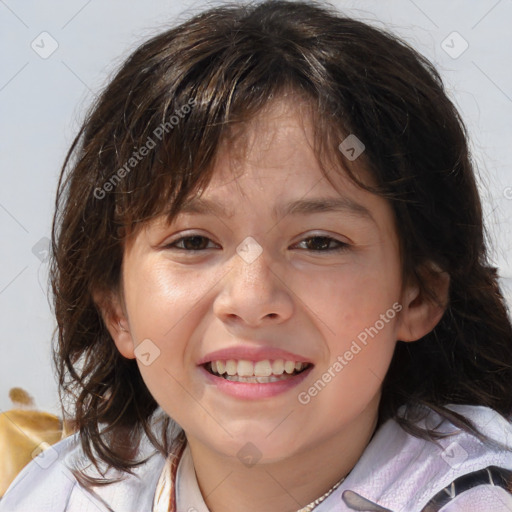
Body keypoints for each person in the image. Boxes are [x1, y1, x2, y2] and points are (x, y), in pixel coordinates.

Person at [2, 1, 512, 511]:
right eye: (194, 242)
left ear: (417, 293)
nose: (251, 299)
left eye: (319, 242)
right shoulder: (62, 494)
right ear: (117, 310)